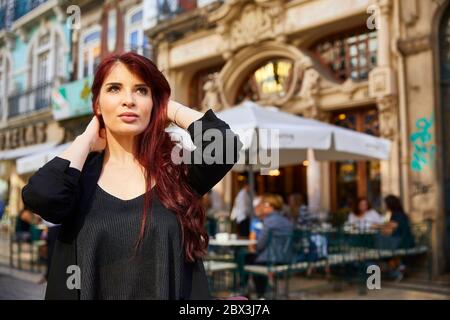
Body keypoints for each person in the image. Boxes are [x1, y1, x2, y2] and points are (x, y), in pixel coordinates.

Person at [22, 52, 243, 300]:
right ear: (97, 104)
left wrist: (167, 106)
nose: (128, 100)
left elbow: (224, 147)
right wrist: (86, 138)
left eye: (141, 90)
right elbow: (40, 196)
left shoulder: (177, 174)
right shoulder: (76, 180)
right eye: (115, 89)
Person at [246, 194, 293, 299]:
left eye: (264, 205)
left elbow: (260, 245)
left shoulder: (269, 221)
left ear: (271, 206)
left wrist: (254, 247)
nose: (262, 207)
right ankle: (262, 292)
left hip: (271, 260)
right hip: (286, 258)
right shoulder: (287, 221)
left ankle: (258, 294)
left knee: (246, 259)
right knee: (253, 259)